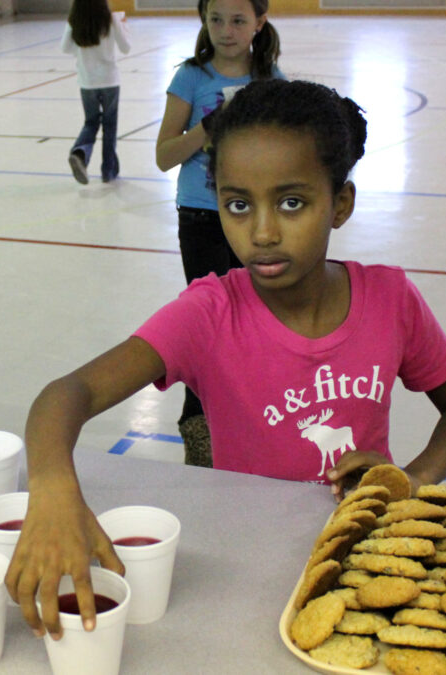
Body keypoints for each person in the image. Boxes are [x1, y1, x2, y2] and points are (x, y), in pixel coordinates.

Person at [5, 78, 446, 639]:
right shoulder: (209, 313)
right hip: (243, 566)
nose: (262, 232)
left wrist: (413, 478)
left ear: (340, 204)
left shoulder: (391, 300)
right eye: (238, 205)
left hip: (364, 557)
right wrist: (53, 489)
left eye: (291, 203)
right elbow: (67, 394)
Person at [155, 0, 282, 467]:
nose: (226, 30)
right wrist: (207, 129)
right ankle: (199, 426)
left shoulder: (270, 81)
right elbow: (164, 156)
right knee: (209, 323)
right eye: (216, 20)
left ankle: (250, 420)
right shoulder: (191, 77)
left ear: (259, 23)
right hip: (202, 218)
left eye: (238, 20)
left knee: (256, 323)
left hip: (252, 218)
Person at [61, 0, 131, 185]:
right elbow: (126, 48)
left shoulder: (75, 20)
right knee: (110, 126)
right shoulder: (110, 19)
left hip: (87, 82)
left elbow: (65, 48)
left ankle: (80, 153)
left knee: (91, 122)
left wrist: (82, 49)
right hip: (109, 81)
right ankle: (108, 171)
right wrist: (123, 27)